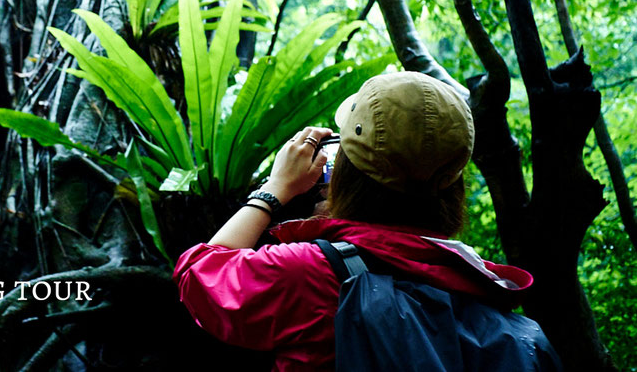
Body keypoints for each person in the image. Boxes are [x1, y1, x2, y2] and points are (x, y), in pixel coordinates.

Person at [173, 71, 544, 371]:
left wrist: (274, 190)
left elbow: (198, 275)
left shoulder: (314, 275)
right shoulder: (474, 278)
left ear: (346, 171)